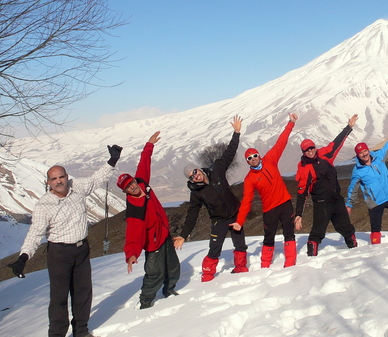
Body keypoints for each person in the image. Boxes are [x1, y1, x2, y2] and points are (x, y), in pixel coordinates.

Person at [7, 144, 121, 337]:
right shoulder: (44, 205)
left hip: (81, 249)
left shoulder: (77, 187)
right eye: (54, 179)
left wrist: (113, 160)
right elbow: (35, 233)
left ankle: (81, 331)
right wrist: (23, 257)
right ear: (48, 182)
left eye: (62, 176)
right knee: (59, 298)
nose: (59, 181)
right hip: (60, 254)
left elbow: (96, 180)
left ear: (67, 177)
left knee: (83, 292)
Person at [174, 115, 248, 281]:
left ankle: (241, 268)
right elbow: (192, 215)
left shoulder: (216, 170)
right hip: (219, 220)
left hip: (235, 214)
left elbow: (229, 153)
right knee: (214, 249)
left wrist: (236, 133)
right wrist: (184, 235)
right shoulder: (196, 193)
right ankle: (207, 276)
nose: (195, 176)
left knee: (240, 244)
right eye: (192, 176)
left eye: (195, 172)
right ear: (191, 180)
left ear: (199, 169)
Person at [118, 131, 180, 309]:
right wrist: (131, 254)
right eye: (128, 187)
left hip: (164, 233)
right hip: (153, 243)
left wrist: (149, 145)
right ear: (126, 192)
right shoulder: (134, 211)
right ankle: (145, 301)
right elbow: (133, 234)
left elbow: (144, 163)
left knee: (173, 266)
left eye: (132, 182)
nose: (133, 186)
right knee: (154, 272)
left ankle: (169, 290)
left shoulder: (142, 183)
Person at [230, 113, 298, 268]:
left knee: (289, 233)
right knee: (269, 237)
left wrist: (291, 123)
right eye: (249, 158)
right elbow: (246, 201)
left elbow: (281, 143)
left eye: (255, 155)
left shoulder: (270, 160)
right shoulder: (249, 179)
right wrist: (240, 221)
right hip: (269, 209)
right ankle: (265, 264)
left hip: (285, 203)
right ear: (247, 162)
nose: (253, 158)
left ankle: (290, 262)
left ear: (259, 156)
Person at [294, 115, 359, 257]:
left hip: (336, 200)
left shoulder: (325, 155)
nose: (310, 151)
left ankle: (355, 252)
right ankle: (311, 257)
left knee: (346, 228)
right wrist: (299, 214)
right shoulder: (304, 169)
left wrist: (348, 127)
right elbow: (302, 193)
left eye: (311, 148)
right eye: (306, 150)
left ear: (315, 148)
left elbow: (336, 143)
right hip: (322, 204)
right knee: (317, 232)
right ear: (303, 152)